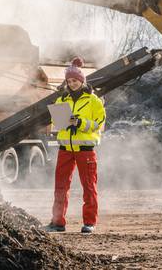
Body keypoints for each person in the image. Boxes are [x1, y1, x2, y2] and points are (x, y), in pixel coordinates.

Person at [43, 57, 106, 234]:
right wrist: (62, 121)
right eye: (69, 81)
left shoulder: (94, 101)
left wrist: (79, 122)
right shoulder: (62, 99)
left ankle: (90, 223)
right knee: (60, 187)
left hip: (85, 151)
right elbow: (57, 122)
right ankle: (57, 223)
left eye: (75, 81)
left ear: (82, 80)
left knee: (89, 187)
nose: (72, 84)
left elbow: (99, 124)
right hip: (65, 149)